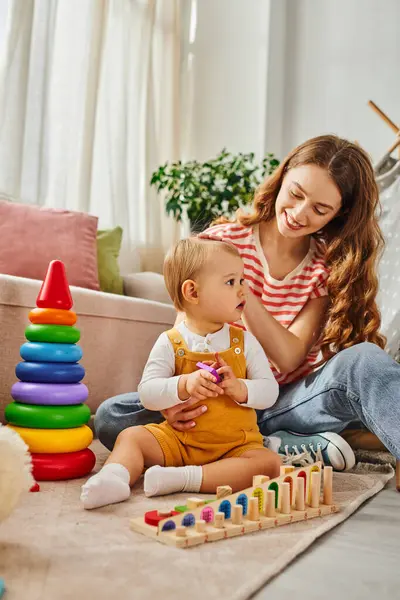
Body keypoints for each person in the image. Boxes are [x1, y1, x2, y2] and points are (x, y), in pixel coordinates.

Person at [94, 134, 400, 472]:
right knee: (111, 417)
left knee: (365, 361)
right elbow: (183, 333)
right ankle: (277, 446)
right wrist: (175, 398)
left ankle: (264, 441)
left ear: (338, 215)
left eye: (319, 209)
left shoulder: (324, 268)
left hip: (277, 401)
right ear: (282, 177)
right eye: (296, 194)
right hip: (208, 400)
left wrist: (241, 290)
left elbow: (287, 358)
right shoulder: (217, 244)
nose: (299, 213)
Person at [81, 238, 281, 509]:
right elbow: (148, 393)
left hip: (235, 445)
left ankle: (180, 479)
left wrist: (242, 389)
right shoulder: (170, 341)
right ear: (193, 292)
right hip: (178, 441)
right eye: (231, 282)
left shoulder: (244, 342)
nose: (243, 290)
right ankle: (113, 478)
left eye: (242, 280)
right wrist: (183, 384)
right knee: (131, 437)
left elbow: (270, 391)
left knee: (268, 464)